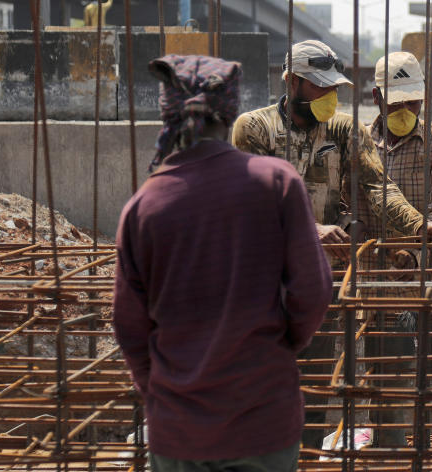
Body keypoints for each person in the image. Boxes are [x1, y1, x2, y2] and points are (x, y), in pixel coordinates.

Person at [113, 54, 332, 472]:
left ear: (169, 113)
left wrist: (161, 389)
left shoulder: (143, 207)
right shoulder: (276, 182)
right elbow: (314, 292)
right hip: (262, 419)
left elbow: (129, 326)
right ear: (229, 113)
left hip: (178, 429)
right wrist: (277, 349)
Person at [231, 39, 432, 250]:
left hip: (329, 264)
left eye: (333, 87)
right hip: (273, 258)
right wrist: (312, 229)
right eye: (320, 86)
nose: (330, 95)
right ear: (291, 81)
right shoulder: (256, 127)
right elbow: (255, 200)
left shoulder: (346, 129)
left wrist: (418, 224)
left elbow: (378, 187)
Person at [359, 51, 432, 446]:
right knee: (387, 379)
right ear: (377, 97)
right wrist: (392, 254)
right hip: (384, 284)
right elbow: (355, 203)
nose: (406, 108)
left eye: (413, 100)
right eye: (397, 101)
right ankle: (392, 450)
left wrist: (414, 252)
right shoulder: (362, 143)